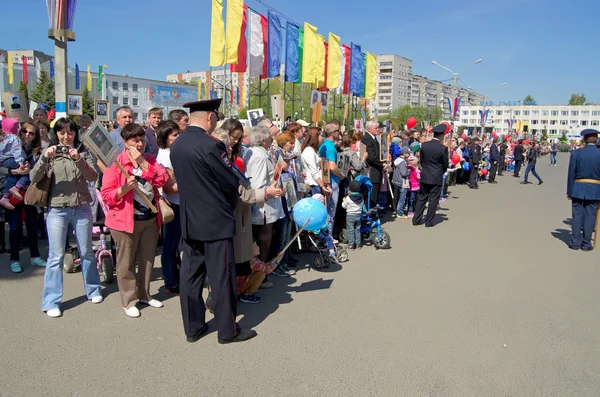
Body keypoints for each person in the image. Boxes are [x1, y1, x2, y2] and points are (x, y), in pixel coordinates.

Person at [171, 99, 256, 344]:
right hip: (215, 221)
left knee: (190, 276)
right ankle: (228, 330)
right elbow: (230, 181)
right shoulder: (211, 145)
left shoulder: (178, 144)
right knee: (221, 277)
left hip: (190, 219)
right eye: (216, 117)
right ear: (210, 117)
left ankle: (193, 327)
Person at [31, 117, 103, 318]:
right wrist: (45, 157)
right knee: (56, 256)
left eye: (70, 132)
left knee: (87, 251)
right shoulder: (49, 152)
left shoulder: (81, 150)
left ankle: (93, 289)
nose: (66, 136)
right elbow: (34, 177)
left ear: (75, 133)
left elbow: (92, 176)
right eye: (62, 132)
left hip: (81, 207)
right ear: (56, 134)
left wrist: (78, 159)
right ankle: (51, 301)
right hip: (57, 208)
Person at [101, 123, 169, 317]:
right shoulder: (116, 163)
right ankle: (129, 301)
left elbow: (162, 179)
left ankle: (145, 294)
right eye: (135, 140)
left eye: (142, 139)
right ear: (125, 142)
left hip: (149, 218)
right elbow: (106, 195)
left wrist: (143, 163)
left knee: (147, 259)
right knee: (126, 262)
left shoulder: (149, 159)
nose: (139, 144)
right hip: (125, 221)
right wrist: (124, 189)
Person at [244, 127, 291, 277]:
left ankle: (260, 275)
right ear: (263, 140)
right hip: (263, 207)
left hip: (266, 205)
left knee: (263, 241)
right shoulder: (259, 157)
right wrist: (272, 191)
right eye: (271, 139)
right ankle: (260, 276)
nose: (273, 141)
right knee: (263, 242)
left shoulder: (259, 153)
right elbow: (257, 185)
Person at [1, 121, 46, 273]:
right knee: (14, 227)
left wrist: (28, 173)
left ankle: (35, 256)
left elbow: (40, 171)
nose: (27, 135)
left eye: (31, 133)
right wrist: (15, 172)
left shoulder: (37, 152)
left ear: (35, 137)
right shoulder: (10, 147)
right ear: (19, 133)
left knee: (32, 225)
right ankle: (14, 259)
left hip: (30, 193)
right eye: (24, 131)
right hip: (13, 195)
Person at [156, 120, 182, 295]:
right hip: (172, 204)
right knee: (170, 245)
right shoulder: (165, 157)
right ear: (165, 138)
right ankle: (171, 282)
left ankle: (175, 277)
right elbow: (168, 188)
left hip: (180, 203)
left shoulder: (172, 153)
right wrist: (190, 182)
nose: (178, 137)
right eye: (174, 135)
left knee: (174, 244)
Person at [567, 129, 600, 251]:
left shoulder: (576, 153)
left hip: (578, 187)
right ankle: (586, 243)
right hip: (595, 188)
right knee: (590, 216)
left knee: (577, 216)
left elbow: (571, 174)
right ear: (596, 140)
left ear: (584, 140)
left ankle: (575, 242)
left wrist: (569, 191)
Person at [412, 124, 448, 228]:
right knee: (433, 200)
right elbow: (445, 164)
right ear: (442, 136)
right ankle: (429, 221)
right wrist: (440, 172)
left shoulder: (425, 145)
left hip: (425, 175)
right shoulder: (443, 149)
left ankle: (416, 219)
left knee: (421, 198)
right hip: (436, 176)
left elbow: (422, 160)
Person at [319, 124, 345, 236]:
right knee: (330, 212)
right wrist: (341, 175)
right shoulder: (329, 147)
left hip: (327, 180)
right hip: (332, 181)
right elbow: (332, 166)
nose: (339, 132)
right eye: (337, 130)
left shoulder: (325, 145)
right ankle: (328, 238)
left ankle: (326, 237)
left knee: (328, 211)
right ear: (332, 133)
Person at [0, 118, 29, 209]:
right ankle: (16, 187)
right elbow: (17, 151)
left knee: (11, 177)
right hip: (13, 160)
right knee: (27, 173)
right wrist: (20, 162)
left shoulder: (4, 139)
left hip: (4, 161)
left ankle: (5, 196)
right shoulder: (15, 138)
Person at [361, 120, 388, 209]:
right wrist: (382, 164)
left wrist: (384, 162)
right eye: (376, 128)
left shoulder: (374, 138)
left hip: (377, 171)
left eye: (378, 128)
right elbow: (371, 157)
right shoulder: (367, 139)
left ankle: (372, 214)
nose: (378, 129)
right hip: (372, 171)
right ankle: (369, 216)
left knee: (375, 196)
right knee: (371, 196)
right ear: (369, 128)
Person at [301, 127, 331, 195]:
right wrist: (322, 186)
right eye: (321, 135)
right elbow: (314, 171)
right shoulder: (309, 151)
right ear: (315, 136)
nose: (322, 138)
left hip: (317, 184)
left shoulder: (314, 151)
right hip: (313, 186)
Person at [342, 180, 364, 250]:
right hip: (358, 215)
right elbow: (362, 205)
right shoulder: (361, 198)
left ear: (350, 188)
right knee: (357, 229)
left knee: (350, 230)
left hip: (350, 215)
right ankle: (358, 244)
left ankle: (351, 244)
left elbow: (344, 206)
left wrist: (343, 200)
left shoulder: (348, 198)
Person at [392, 147, 411, 218]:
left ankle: (398, 211)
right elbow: (404, 173)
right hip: (403, 181)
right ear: (404, 153)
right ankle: (400, 213)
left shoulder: (398, 161)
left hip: (397, 180)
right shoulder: (402, 162)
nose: (409, 155)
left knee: (399, 197)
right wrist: (409, 171)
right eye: (408, 153)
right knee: (402, 198)